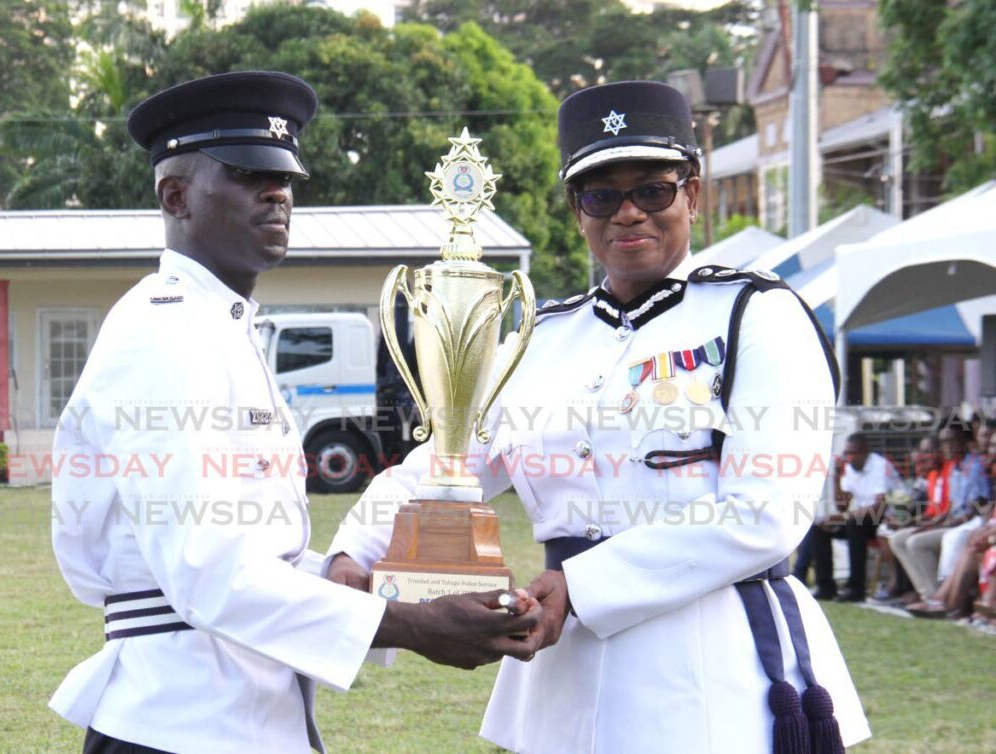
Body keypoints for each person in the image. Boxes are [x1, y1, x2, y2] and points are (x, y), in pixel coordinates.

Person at [326, 81, 869, 753]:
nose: (628, 214)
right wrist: (355, 550)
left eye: (653, 190)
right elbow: (446, 466)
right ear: (576, 210)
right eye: (600, 196)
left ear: (692, 194)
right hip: (563, 682)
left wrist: (579, 585)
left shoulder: (756, 314)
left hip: (712, 679)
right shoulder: (542, 339)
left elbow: (765, 512)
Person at [49, 71, 542, 754]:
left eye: (284, 179)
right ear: (176, 196)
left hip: (232, 711)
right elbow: (210, 574)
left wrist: (343, 575)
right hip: (183, 722)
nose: (277, 193)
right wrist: (407, 623)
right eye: (248, 176)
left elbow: (247, 553)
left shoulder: (217, 326)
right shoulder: (165, 333)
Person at [890, 425, 991, 605]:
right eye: (944, 442)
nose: (948, 447)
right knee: (897, 539)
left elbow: (977, 507)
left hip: (970, 523)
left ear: (964, 442)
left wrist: (943, 525)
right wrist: (930, 524)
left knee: (917, 542)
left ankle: (938, 597)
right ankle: (927, 594)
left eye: (953, 441)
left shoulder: (973, 466)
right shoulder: (955, 468)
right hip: (954, 521)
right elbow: (950, 509)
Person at [810, 433, 899, 602]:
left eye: (852, 453)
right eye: (846, 454)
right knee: (820, 526)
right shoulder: (850, 469)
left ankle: (856, 588)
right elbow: (842, 505)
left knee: (853, 524)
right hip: (861, 518)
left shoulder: (880, 466)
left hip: (885, 518)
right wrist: (836, 479)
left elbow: (879, 507)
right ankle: (825, 587)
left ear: (865, 451)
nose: (848, 458)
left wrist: (845, 517)